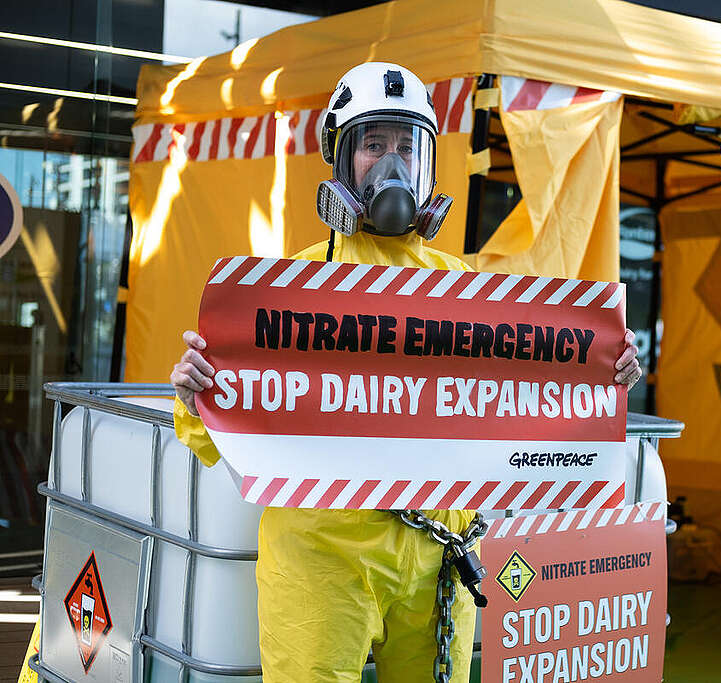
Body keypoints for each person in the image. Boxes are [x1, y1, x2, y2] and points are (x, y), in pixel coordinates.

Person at [170, 62, 643, 683]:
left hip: (438, 554)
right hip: (320, 556)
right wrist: (196, 389)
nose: (392, 163)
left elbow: (527, 398)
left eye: (407, 146)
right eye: (373, 144)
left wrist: (600, 371)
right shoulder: (281, 294)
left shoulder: (468, 291)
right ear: (340, 159)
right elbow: (210, 437)